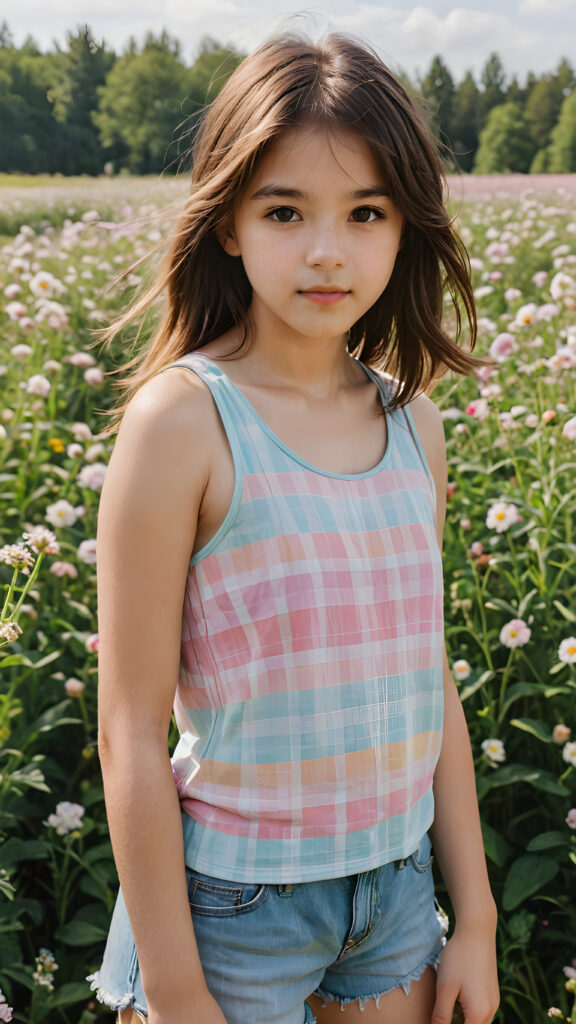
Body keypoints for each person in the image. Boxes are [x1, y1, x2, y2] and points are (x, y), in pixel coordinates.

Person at [87, 30, 500, 1024]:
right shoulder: (183, 422)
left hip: (396, 895)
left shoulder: (415, 424)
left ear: (405, 228)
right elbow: (129, 733)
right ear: (228, 222)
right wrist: (179, 992)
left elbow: (426, 672)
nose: (327, 250)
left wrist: (476, 916)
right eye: (285, 211)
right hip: (228, 912)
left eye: (366, 212)